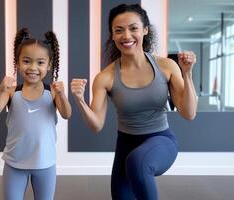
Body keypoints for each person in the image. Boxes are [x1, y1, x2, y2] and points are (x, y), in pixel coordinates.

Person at [70, 4, 197, 200]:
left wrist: (187, 74)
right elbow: (96, 125)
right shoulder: (106, 77)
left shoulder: (166, 66)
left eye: (133, 28)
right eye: (118, 30)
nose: (126, 36)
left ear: (145, 30)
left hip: (161, 141)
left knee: (138, 162)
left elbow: (189, 113)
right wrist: (80, 101)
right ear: (112, 36)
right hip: (125, 147)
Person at [0, 28, 72, 200]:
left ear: (49, 65)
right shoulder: (12, 92)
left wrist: (63, 95)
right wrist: (1, 88)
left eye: (40, 62)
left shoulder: (53, 93)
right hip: (14, 163)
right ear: (18, 63)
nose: (33, 67)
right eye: (26, 61)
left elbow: (66, 114)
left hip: (45, 163)